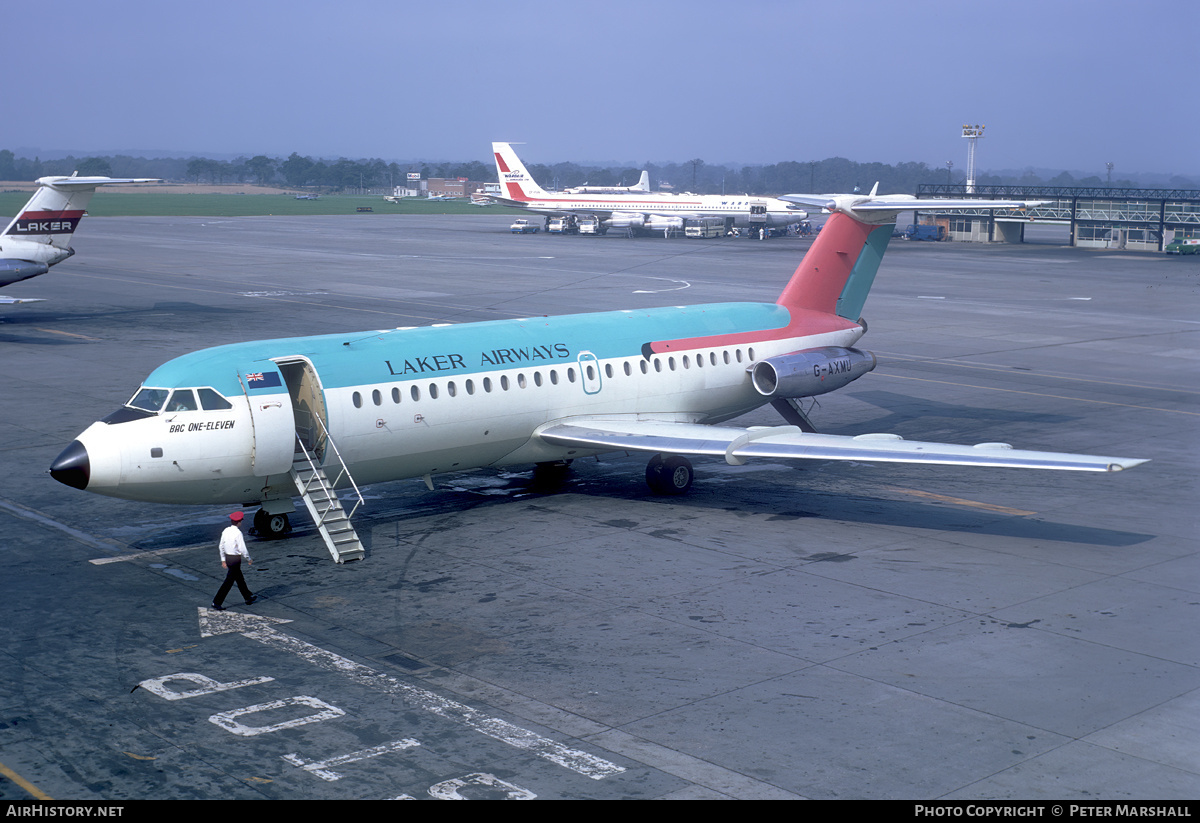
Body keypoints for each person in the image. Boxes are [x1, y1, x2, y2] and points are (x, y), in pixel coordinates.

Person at [211, 511, 256, 610]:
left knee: (239, 578)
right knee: (229, 582)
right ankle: (216, 602)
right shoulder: (238, 533)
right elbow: (242, 548)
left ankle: (248, 597)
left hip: (228, 558)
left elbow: (221, 546)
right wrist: (248, 558)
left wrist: (223, 560)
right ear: (239, 522)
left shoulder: (226, 530)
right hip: (235, 559)